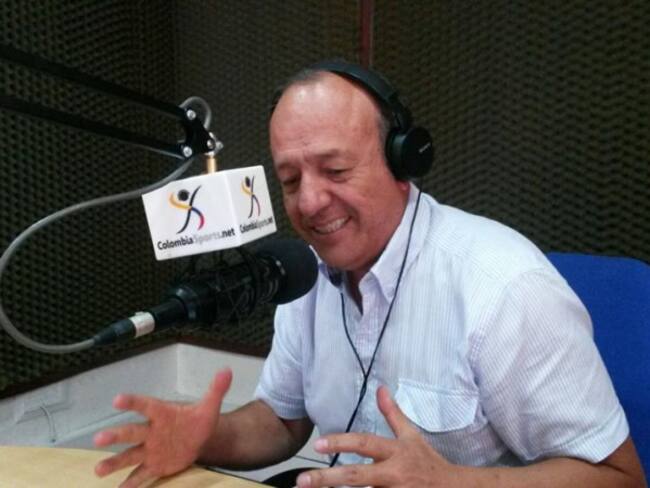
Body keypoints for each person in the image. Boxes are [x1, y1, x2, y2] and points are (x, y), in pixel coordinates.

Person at [93, 62, 647, 488]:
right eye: (290, 180)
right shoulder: (307, 274)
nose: (309, 202)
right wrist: (205, 436)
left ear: (403, 162)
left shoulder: (504, 289)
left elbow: (619, 479)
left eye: (335, 170)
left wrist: (454, 483)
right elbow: (283, 420)